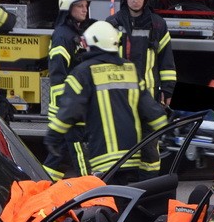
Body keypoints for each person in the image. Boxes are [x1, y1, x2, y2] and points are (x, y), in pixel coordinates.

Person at [44, 20, 168, 180]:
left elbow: (69, 110)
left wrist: (53, 135)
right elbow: (150, 110)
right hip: (132, 158)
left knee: (108, 203)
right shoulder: (130, 69)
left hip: (104, 163)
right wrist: (165, 128)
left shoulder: (82, 73)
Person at [45, 0, 94, 180]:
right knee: (78, 149)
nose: (84, 9)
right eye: (80, 6)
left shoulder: (75, 33)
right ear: (68, 9)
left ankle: (42, 186)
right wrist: (68, 107)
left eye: (85, 5)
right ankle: (89, 186)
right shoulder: (63, 36)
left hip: (72, 105)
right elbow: (58, 76)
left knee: (57, 156)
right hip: (68, 107)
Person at [106, 0, 176, 105]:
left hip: (148, 97)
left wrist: (168, 91)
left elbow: (166, 61)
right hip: (119, 96)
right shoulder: (112, 24)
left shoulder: (158, 25)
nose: (135, 0)